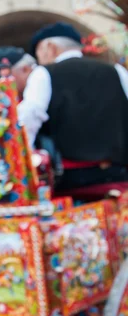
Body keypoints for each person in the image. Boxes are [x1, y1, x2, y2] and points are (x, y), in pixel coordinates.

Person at [18, 22, 128, 191]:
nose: (39, 60)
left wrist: (22, 163)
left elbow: (28, 118)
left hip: (72, 181)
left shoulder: (45, 74)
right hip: (119, 176)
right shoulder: (116, 71)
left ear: (50, 47)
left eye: (39, 52)